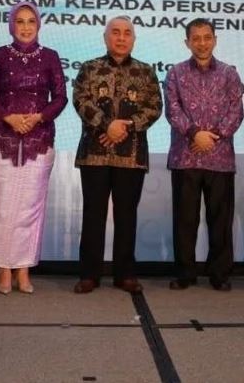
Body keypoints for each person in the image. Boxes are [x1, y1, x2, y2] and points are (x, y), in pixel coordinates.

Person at [0, 2, 67, 294]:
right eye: (20, 21)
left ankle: (24, 268)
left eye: (31, 21)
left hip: (38, 139)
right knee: (1, 206)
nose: (26, 27)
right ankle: (3, 269)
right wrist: (8, 117)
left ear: (38, 25)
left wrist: (39, 117)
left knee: (30, 207)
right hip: (0, 137)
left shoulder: (51, 56)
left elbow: (61, 97)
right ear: (11, 25)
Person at [72, 16, 162, 294]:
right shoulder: (89, 68)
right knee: (93, 215)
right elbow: (80, 100)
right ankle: (89, 274)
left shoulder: (146, 72)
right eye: (115, 32)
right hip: (94, 154)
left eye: (127, 33)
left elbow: (154, 107)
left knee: (126, 216)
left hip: (131, 156)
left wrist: (126, 126)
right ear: (105, 37)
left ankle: (125, 275)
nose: (121, 38)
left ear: (133, 39)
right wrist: (106, 125)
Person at [164, 18, 244, 291]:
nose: (202, 43)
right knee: (185, 220)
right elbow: (172, 109)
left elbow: (236, 111)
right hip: (185, 156)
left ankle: (219, 274)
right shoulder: (175, 73)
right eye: (195, 38)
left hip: (220, 158)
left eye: (207, 37)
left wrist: (214, 136)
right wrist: (194, 134)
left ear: (215, 40)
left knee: (220, 220)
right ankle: (185, 273)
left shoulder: (229, 74)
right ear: (187, 42)